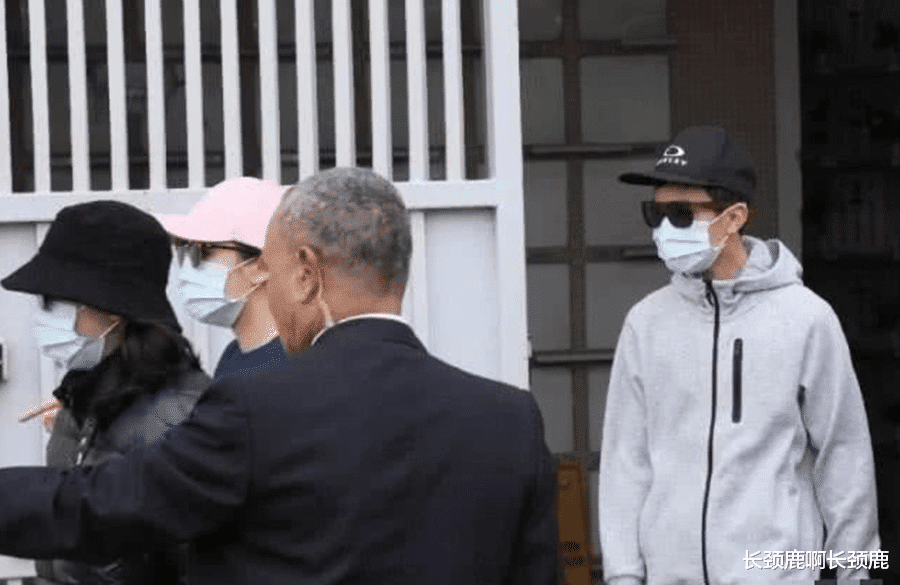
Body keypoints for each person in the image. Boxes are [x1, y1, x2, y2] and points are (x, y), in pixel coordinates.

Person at [0, 167, 560, 584]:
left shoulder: (254, 410)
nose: (267, 288)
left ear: (307, 273)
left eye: (270, 266)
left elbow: (105, 504)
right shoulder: (509, 420)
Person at [598, 126, 881, 585]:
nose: (664, 228)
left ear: (734, 217)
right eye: (655, 213)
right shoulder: (645, 324)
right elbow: (625, 463)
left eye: (681, 214)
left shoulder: (806, 318)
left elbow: (845, 454)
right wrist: (623, 576)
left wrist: (860, 571)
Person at [1, 200, 211, 585]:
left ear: (113, 311)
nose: (42, 316)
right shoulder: (86, 400)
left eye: (54, 302)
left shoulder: (177, 420)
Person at [153, 176, 289, 381]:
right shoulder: (235, 354)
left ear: (261, 267)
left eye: (204, 251)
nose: (188, 266)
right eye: (184, 249)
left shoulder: (284, 368)